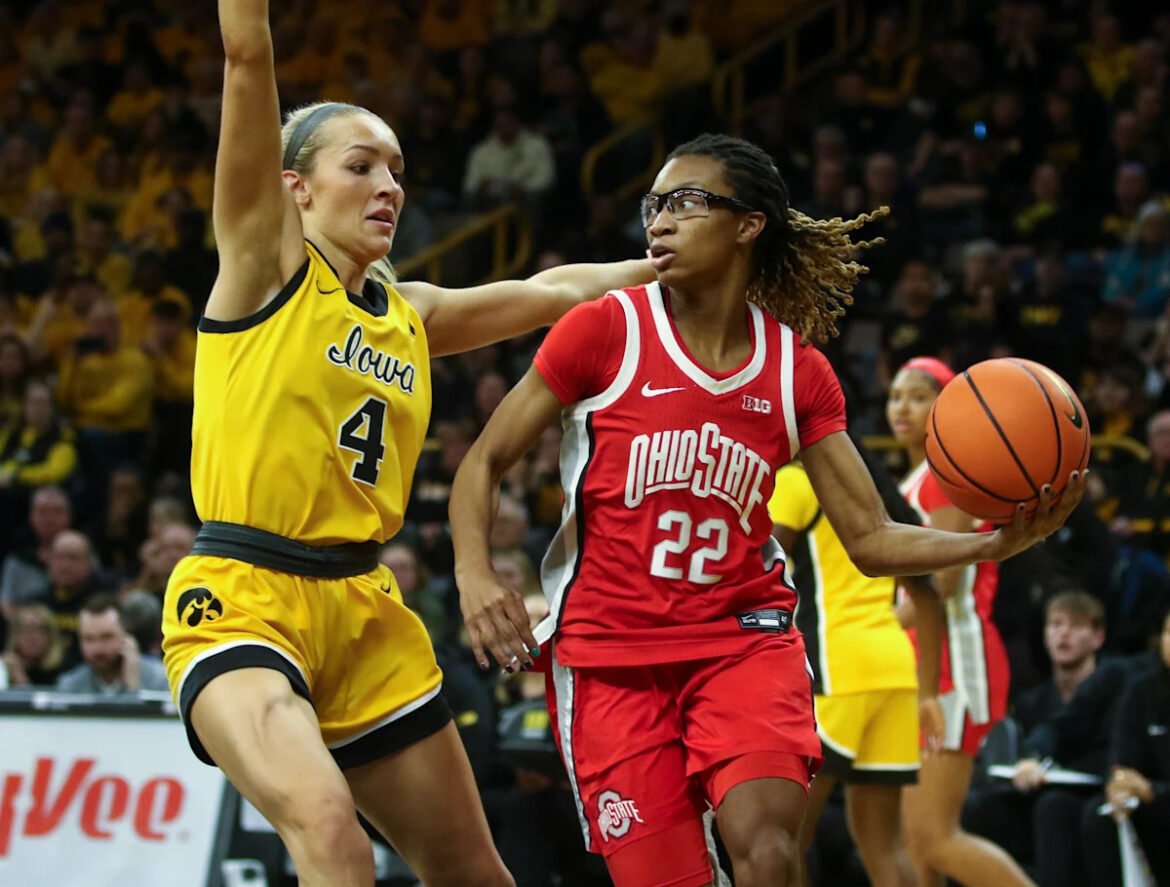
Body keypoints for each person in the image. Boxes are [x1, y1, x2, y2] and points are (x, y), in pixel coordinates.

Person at [449, 134, 1084, 887]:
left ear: (748, 224)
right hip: (610, 656)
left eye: (687, 202)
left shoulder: (796, 371)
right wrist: (474, 572)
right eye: (654, 205)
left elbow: (871, 537)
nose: (660, 220)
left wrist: (989, 546)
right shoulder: (606, 329)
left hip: (740, 642)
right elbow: (484, 461)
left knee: (770, 849)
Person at [159, 3, 655, 886]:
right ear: (294, 187)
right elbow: (245, 55)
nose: (388, 185)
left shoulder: (409, 312)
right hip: (244, 594)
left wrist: (675, 268)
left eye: (396, 169)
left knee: (477, 874)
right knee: (331, 833)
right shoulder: (264, 265)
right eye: (361, 166)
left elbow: (555, 292)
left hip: (366, 607)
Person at [772, 435, 944, 887]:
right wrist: (928, 693)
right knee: (883, 845)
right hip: (895, 670)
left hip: (836, 673)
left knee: (785, 841)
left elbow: (753, 565)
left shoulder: (796, 483)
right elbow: (928, 597)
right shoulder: (871, 494)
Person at [888, 356, 1033, 887]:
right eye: (896, 396)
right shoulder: (914, 479)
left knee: (935, 838)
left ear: (945, 407)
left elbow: (943, 584)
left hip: (956, 661)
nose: (902, 407)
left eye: (918, 397)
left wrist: (869, 628)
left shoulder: (947, 476)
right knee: (915, 845)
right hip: (924, 661)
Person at [1080, 609, 1170, 886]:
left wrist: (1153, 790)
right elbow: (1122, 755)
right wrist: (1120, 781)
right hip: (1151, 804)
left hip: (1159, 795)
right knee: (1098, 814)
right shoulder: (1142, 690)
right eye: (1169, 632)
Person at [57, 593, 169, 694]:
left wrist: (134, 685)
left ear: (127, 636)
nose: (97, 648)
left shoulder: (160, 680)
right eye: (89, 639)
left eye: (106, 637)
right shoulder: (69, 687)